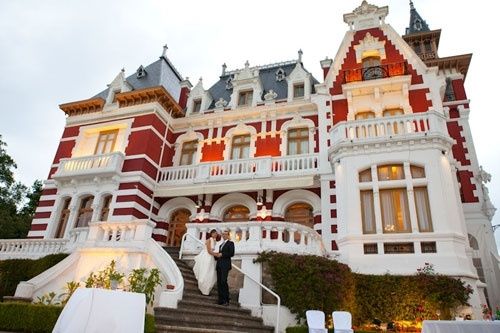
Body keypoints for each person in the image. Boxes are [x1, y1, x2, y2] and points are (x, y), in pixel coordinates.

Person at [192, 229, 218, 295]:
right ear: (211, 234)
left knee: (211, 272)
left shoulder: (214, 241)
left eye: (216, 233)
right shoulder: (209, 240)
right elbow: (209, 251)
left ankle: (207, 289)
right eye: (214, 233)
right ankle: (203, 287)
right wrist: (217, 254)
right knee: (205, 271)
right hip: (207, 256)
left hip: (211, 257)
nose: (216, 234)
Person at [215, 229, 235, 306]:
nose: (224, 236)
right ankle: (220, 300)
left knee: (223, 281)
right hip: (219, 265)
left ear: (228, 236)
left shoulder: (231, 243)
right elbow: (219, 255)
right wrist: (216, 256)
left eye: (226, 234)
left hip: (225, 265)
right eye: (223, 234)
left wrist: (222, 254)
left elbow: (231, 253)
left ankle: (226, 300)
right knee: (219, 283)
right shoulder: (220, 245)